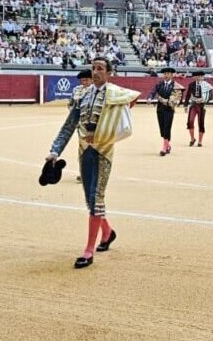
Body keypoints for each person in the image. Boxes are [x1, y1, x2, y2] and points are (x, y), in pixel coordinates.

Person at [45, 57, 140, 269]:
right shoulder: (83, 95)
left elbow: (131, 101)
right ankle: (107, 233)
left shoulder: (115, 93)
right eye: (93, 68)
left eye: (100, 69)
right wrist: (54, 151)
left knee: (96, 197)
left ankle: (88, 251)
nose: (95, 72)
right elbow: (69, 125)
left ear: (109, 73)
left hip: (103, 150)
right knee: (89, 197)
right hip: (84, 150)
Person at [147, 66, 183, 156]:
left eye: (168, 74)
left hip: (169, 109)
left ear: (172, 75)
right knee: (162, 128)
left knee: (167, 127)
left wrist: (171, 102)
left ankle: (164, 148)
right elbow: (153, 92)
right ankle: (167, 145)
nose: (166, 75)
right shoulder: (159, 84)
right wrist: (150, 97)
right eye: (165, 74)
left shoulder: (175, 86)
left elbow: (177, 98)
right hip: (160, 109)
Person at [181, 70, 213, 147]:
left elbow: (210, 96)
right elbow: (188, 95)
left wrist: (204, 100)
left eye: (200, 76)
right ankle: (192, 139)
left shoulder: (206, 85)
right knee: (190, 121)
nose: (198, 78)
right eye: (197, 76)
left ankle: (200, 141)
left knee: (201, 123)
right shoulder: (191, 85)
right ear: (194, 77)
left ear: (202, 77)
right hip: (193, 104)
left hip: (202, 106)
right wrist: (185, 105)